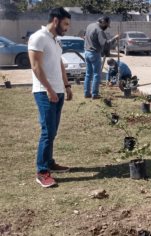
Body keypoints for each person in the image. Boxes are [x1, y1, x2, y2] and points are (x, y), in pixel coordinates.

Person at [28, 7, 73, 188]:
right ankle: (42, 172)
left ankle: (49, 162)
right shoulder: (38, 37)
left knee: (52, 131)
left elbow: (60, 64)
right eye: (65, 24)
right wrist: (49, 89)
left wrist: (67, 85)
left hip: (58, 91)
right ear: (55, 20)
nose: (67, 28)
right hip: (44, 92)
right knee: (47, 132)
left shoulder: (54, 41)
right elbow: (35, 66)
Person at [84, 16, 118, 99]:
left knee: (88, 74)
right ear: (103, 22)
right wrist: (114, 39)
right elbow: (105, 44)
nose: (106, 27)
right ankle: (95, 94)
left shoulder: (90, 25)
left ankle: (86, 93)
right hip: (94, 54)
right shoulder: (99, 30)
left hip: (86, 52)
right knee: (96, 75)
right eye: (107, 25)